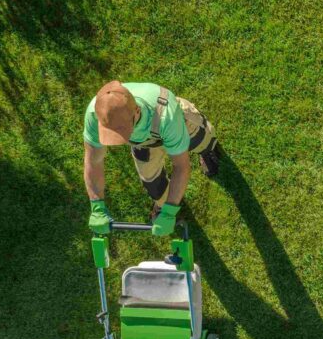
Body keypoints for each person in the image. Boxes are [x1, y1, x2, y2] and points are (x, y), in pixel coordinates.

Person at [83, 80, 222, 236]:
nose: (118, 139)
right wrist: (97, 206)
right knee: (152, 181)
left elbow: (181, 166)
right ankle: (163, 204)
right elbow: (93, 161)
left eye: (122, 129)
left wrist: (170, 212)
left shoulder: (166, 115)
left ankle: (207, 151)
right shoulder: (96, 114)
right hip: (143, 142)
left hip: (177, 122)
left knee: (203, 140)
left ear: (136, 111)